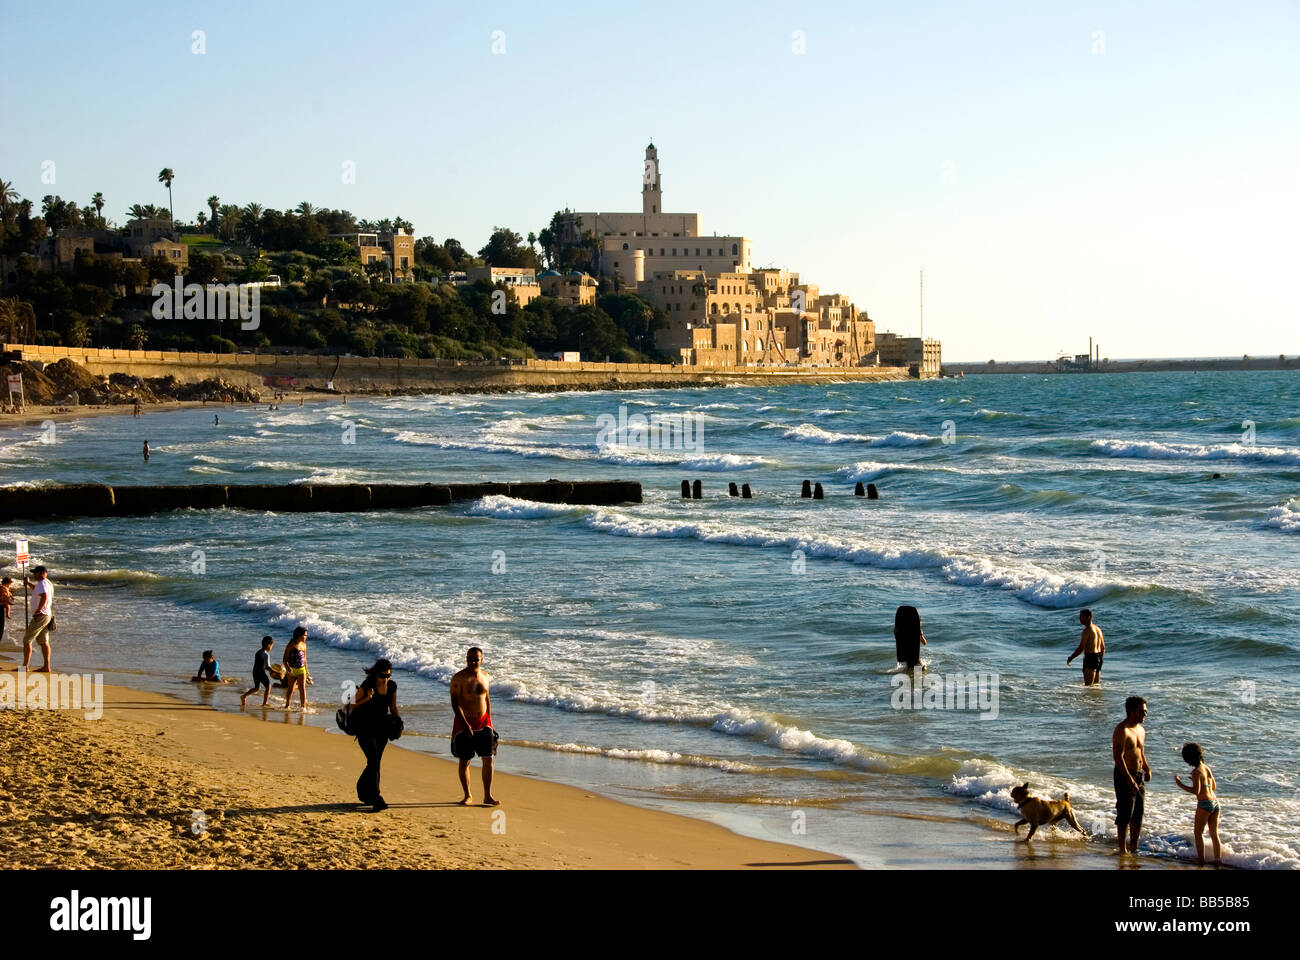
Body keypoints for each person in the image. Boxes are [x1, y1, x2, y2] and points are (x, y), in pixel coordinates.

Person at [450, 646, 499, 805]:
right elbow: (455, 703)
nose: (472, 662)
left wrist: (490, 722)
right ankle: (467, 795)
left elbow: (487, 699)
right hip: (464, 723)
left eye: (475, 659)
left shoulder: (485, 676)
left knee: (488, 759)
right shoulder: (458, 678)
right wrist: (465, 724)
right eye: (469, 659)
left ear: (481, 660)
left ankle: (487, 795)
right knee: (465, 761)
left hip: (484, 723)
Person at [353, 659, 401, 811]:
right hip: (364, 728)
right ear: (375, 674)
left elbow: (393, 707)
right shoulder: (367, 685)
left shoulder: (392, 686)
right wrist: (367, 699)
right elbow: (350, 705)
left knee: (374, 762)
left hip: (382, 729)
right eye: (382, 675)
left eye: (388, 675)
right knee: (373, 760)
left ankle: (363, 791)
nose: (385, 679)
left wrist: (399, 722)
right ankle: (376, 797)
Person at [1112, 696, 1152, 855]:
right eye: (1141, 712)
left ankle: (1133, 846)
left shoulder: (1141, 730)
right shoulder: (1122, 730)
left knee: (1138, 813)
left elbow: (1141, 752)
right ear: (1131, 711)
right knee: (1125, 813)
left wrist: (1147, 768)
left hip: (1139, 775)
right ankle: (1122, 849)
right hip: (1124, 774)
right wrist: (1129, 779)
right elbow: (1118, 757)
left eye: (1145, 712)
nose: (1145, 715)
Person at [1175, 742, 1222, 865]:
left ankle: (1201, 860)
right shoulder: (1206, 767)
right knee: (1214, 834)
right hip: (1215, 802)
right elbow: (1214, 786)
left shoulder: (1196, 772)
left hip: (1204, 804)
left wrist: (1180, 784)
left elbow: (1197, 791)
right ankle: (1218, 860)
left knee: (1198, 833)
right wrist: (1200, 783)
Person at [22, 565, 54, 673]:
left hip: (40, 616)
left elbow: (44, 596)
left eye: (35, 573)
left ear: (41, 573)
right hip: (46, 615)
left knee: (27, 640)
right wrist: (29, 583)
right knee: (43, 642)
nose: (34, 575)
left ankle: (25, 667)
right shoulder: (47, 583)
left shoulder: (42, 583)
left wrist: (38, 610)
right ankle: (46, 666)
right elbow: (38, 591)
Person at [1067, 609, 1105, 685]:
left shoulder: (1087, 631)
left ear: (1089, 617)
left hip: (1090, 658)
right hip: (1099, 658)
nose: (1080, 619)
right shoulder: (1098, 629)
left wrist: (1071, 658)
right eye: (1080, 616)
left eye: (1082, 616)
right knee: (1096, 686)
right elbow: (1103, 647)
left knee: (1088, 686)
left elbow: (1081, 648)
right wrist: (1099, 660)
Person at [240, 636, 275, 705]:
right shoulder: (266, 654)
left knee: (257, 688)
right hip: (261, 672)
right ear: (269, 645)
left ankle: (244, 696)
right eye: (272, 646)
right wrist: (276, 672)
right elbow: (267, 667)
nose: (271, 648)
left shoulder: (258, 652)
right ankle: (265, 703)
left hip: (255, 672)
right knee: (268, 687)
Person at [893, 605, 927, 671]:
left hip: (906, 658)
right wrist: (921, 635)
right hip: (916, 660)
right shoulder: (918, 631)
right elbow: (924, 643)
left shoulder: (902, 633)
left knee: (908, 669)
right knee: (923, 668)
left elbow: (897, 639)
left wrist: (896, 632)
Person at [283, 626, 309, 709]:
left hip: (302, 669)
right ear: (300, 635)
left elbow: (304, 659)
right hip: (292, 670)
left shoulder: (304, 645)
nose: (306, 637)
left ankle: (303, 707)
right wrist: (287, 667)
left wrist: (307, 671)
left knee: (302, 688)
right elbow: (284, 659)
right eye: (305, 635)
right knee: (291, 689)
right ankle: (287, 705)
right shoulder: (291, 645)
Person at [0, 577, 11, 645]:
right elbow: (7, 601)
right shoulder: (4, 589)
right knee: (0, 628)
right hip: (0, 608)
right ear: (8, 583)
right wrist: (7, 613)